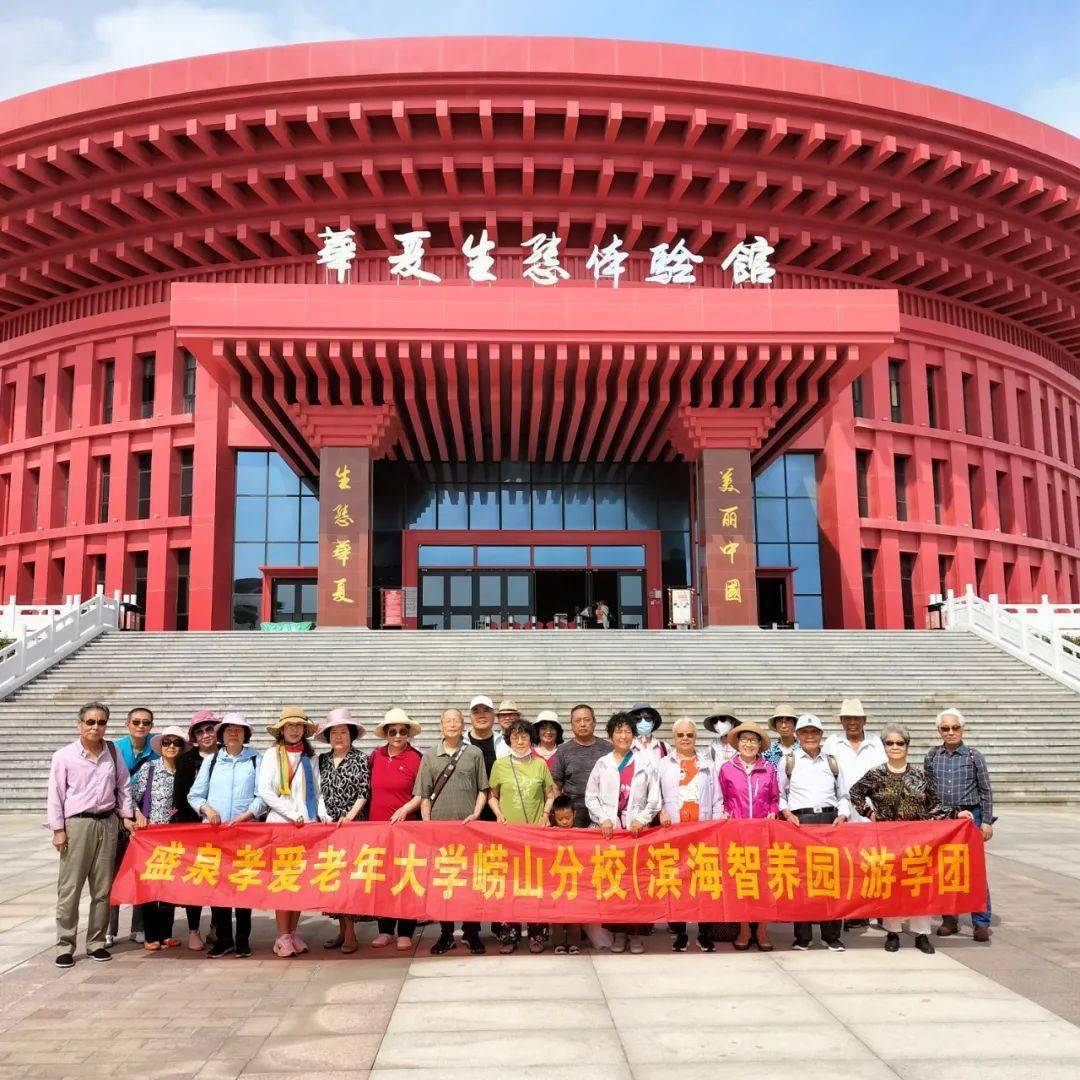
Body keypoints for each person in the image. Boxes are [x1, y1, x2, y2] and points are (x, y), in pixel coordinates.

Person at [849, 722, 974, 955]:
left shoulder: (920, 774)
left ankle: (921, 933)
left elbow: (935, 805)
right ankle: (893, 932)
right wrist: (870, 813)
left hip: (918, 842)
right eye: (890, 743)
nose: (895, 747)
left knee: (918, 886)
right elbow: (855, 793)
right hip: (887, 841)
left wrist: (957, 814)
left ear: (907, 746)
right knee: (892, 887)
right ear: (884, 746)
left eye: (900, 743)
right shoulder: (876, 774)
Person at [48, 701, 134, 968]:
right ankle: (65, 945)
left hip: (107, 823)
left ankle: (96, 942)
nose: (96, 727)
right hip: (78, 825)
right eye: (90, 722)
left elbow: (124, 785)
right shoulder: (64, 756)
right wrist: (58, 829)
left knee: (102, 888)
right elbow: (55, 795)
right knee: (70, 888)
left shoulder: (112, 751)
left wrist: (127, 815)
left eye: (101, 722)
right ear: (80, 724)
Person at [188, 713, 265, 957]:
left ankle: (243, 938)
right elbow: (195, 795)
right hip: (215, 833)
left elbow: (263, 795)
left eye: (239, 729)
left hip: (245, 831)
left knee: (244, 883)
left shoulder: (256, 760)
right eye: (229, 729)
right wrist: (207, 809)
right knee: (217, 885)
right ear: (222, 733)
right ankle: (223, 939)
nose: (234, 733)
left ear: (246, 734)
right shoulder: (212, 761)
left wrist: (250, 814)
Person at [585, 711, 661, 953]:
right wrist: (604, 818)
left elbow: (654, 798)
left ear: (633, 735)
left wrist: (642, 818)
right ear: (611, 735)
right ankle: (618, 933)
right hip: (610, 834)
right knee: (614, 883)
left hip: (636, 833)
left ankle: (636, 935)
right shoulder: (602, 763)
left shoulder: (645, 762)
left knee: (637, 885)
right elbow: (591, 796)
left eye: (627, 731)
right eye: (618, 731)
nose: (623, 735)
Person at [415, 708, 489, 955]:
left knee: (470, 883)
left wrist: (477, 813)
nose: (452, 725)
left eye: (456, 721)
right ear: (440, 725)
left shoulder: (474, 753)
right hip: (440, 833)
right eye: (447, 721)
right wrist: (427, 826)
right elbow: (424, 795)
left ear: (462, 724)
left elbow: (483, 789)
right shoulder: (429, 757)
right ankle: (446, 933)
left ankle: (472, 932)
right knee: (443, 884)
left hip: (468, 830)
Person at [258, 706, 325, 957]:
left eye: (299, 726)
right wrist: (290, 812)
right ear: (282, 730)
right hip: (281, 824)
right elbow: (265, 790)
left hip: (306, 826)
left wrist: (322, 814)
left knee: (298, 882)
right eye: (290, 726)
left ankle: (293, 932)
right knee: (283, 881)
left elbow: (316, 791)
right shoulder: (271, 755)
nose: (294, 730)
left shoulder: (310, 757)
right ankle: (281, 936)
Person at [779, 714, 849, 953]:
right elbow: (779, 795)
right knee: (802, 881)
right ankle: (803, 936)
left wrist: (843, 814)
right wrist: (786, 813)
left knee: (830, 879)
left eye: (814, 732)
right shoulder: (789, 761)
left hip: (829, 821)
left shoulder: (832, 761)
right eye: (805, 732)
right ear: (797, 736)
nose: (810, 736)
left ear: (821, 735)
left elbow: (843, 796)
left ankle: (831, 935)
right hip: (801, 822)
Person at [924, 708, 995, 943]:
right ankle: (949, 919)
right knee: (945, 871)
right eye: (945, 728)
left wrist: (985, 821)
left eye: (955, 727)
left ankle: (980, 922)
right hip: (944, 819)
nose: (951, 732)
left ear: (962, 728)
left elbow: (985, 790)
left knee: (974, 870)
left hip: (969, 818)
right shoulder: (932, 757)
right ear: (939, 731)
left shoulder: (974, 756)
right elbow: (928, 793)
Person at [488, 718, 555, 953]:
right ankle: (509, 936)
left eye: (524, 736)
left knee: (535, 886)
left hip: (535, 836)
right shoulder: (500, 766)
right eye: (515, 736)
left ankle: (537, 935)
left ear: (530, 739)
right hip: (509, 837)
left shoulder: (540, 765)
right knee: (509, 887)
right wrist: (498, 814)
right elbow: (492, 795)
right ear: (508, 740)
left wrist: (546, 814)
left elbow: (550, 794)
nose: (519, 740)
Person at [658, 718, 719, 952]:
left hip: (701, 832)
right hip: (674, 832)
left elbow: (717, 798)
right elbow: (656, 796)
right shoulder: (664, 764)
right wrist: (661, 809)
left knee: (704, 882)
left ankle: (704, 933)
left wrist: (715, 826)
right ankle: (680, 932)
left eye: (690, 735)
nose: (685, 739)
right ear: (674, 738)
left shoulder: (707, 764)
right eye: (681, 735)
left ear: (696, 738)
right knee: (677, 882)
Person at [717, 721, 779, 951]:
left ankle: (762, 930)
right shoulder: (726, 769)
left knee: (763, 883)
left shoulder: (769, 769)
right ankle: (744, 928)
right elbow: (723, 798)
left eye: (753, 740)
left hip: (763, 834)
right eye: (744, 740)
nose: (748, 744)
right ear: (737, 743)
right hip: (737, 834)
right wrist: (726, 815)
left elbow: (774, 799)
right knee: (742, 882)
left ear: (760, 745)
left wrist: (773, 814)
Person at [315, 708, 370, 954]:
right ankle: (340, 929)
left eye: (343, 732)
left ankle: (350, 934)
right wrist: (324, 816)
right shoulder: (322, 760)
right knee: (334, 879)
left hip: (353, 828)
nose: (338, 736)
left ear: (351, 735)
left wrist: (349, 817)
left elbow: (364, 792)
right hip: (329, 829)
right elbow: (317, 793)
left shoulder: (360, 758)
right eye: (334, 732)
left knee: (350, 880)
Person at [368, 707, 424, 950]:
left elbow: (422, 792)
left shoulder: (416, 758)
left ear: (409, 733)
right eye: (393, 732)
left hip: (406, 828)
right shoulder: (375, 756)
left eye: (403, 731)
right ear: (386, 734)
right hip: (378, 827)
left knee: (406, 877)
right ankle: (385, 929)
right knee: (382, 877)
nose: (398, 736)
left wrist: (406, 809)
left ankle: (406, 931)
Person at [131, 725, 188, 951]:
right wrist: (137, 815)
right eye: (167, 742)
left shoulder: (185, 769)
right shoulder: (150, 768)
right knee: (151, 883)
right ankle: (150, 934)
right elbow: (131, 796)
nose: (171, 746)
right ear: (161, 746)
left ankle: (166, 933)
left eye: (176, 743)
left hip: (176, 836)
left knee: (170, 884)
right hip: (151, 836)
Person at [108, 705, 157, 946]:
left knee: (142, 873)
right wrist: (125, 815)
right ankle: (109, 928)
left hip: (143, 822)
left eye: (145, 723)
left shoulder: (156, 749)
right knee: (111, 873)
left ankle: (139, 926)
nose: (141, 726)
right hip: (116, 818)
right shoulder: (114, 749)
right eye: (136, 722)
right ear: (127, 725)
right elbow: (110, 786)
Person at [172, 710, 220, 951]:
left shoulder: (227, 754)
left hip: (221, 829)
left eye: (210, 729)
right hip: (194, 828)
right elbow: (179, 798)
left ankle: (216, 926)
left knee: (220, 879)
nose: (206, 735)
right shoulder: (185, 760)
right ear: (194, 736)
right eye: (200, 731)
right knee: (196, 880)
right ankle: (193, 929)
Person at [823, 698, 887, 823]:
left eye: (856, 718)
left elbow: (884, 775)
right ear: (841, 721)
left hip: (870, 809)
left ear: (865, 720)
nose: (852, 722)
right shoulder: (833, 742)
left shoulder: (875, 741)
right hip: (841, 810)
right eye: (847, 718)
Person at [550, 704, 613, 827]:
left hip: (604, 817)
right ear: (572, 725)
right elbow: (556, 787)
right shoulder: (563, 751)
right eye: (578, 721)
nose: (582, 724)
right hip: (573, 818)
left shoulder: (609, 749)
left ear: (594, 722)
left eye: (587, 720)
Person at [549, 795, 583, 954]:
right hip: (556, 881)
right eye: (560, 818)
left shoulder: (580, 834)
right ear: (554, 817)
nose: (564, 822)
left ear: (574, 815)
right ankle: (558, 943)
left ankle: (574, 943)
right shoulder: (550, 834)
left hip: (574, 881)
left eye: (567, 818)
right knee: (556, 914)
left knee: (574, 914)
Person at [762, 702, 799, 776]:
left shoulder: (803, 749)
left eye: (788, 721)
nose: (784, 725)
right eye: (779, 721)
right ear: (775, 725)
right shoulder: (768, 752)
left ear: (794, 724)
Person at [628, 702, 669, 767]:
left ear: (653, 722)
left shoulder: (665, 748)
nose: (643, 721)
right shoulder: (627, 748)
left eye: (647, 718)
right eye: (638, 719)